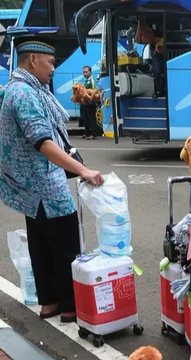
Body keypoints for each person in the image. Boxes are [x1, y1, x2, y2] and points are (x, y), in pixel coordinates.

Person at [0, 36, 105, 323]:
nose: (53, 69)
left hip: (31, 189)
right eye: (50, 63)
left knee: (42, 243)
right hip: (45, 185)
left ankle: (49, 303)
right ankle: (70, 307)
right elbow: (43, 142)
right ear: (32, 60)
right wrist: (83, 171)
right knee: (66, 244)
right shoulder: (24, 94)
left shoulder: (20, 88)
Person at [79, 65, 98, 140]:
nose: (84, 73)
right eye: (83, 72)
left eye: (86, 72)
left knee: (91, 118)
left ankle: (94, 134)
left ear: (90, 72)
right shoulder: (86, 81)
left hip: (91, 103)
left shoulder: (92, 80)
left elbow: (95, 90)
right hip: (86, 103)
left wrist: (91, 99)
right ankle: (87, 133)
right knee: (86, 118)